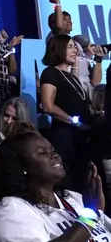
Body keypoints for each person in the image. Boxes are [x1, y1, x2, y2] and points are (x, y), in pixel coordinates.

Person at [0, 133, 110, 242]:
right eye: (42, 152)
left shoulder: (73, 198)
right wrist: (91, 213)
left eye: (53, 150)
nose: (54, 155)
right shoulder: (7, 213)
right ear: (23, 167)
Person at [40, 34, 95, 192]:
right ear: (58, 49)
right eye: (70, 47)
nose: (75, 50)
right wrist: (74, 121)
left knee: (83, 180)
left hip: (80, 136)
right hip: (65, 136)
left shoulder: (69, 75)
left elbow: (77, 92)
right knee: (69, 182)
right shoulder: (50, 73)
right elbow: (48, 106)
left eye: (75, 47)